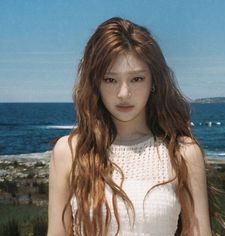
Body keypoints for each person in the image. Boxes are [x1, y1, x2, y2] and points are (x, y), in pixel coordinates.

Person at [47, 17, 212, 236]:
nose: (124, 94)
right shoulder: (68, 152)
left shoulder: (183, 153)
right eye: (110, 79)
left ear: (154, 81)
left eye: (136, 79)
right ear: (95, 82)